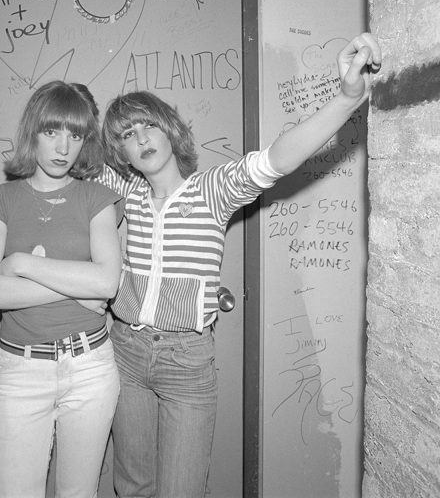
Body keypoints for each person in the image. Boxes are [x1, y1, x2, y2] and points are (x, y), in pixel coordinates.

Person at [100, 33, 382, 498]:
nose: (141, 138)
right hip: (125, 351)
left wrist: (347, 99)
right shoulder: (125, 192)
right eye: (128, 135)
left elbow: (278, 158)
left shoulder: (212, 190)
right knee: (132, 486)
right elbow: (67, 156)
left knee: (180, 491)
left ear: (169, 129)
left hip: (186, 362)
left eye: (148, 125)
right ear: (122, 154)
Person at [0, 80, 123, 498]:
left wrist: (22, 265)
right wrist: (78, 286)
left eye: (75, 135)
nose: (63, 147)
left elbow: (107, 283)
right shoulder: (1, 199)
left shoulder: (99, 198)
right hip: (20, 371)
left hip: (90, 367)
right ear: (32, 131)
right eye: (51, 131)